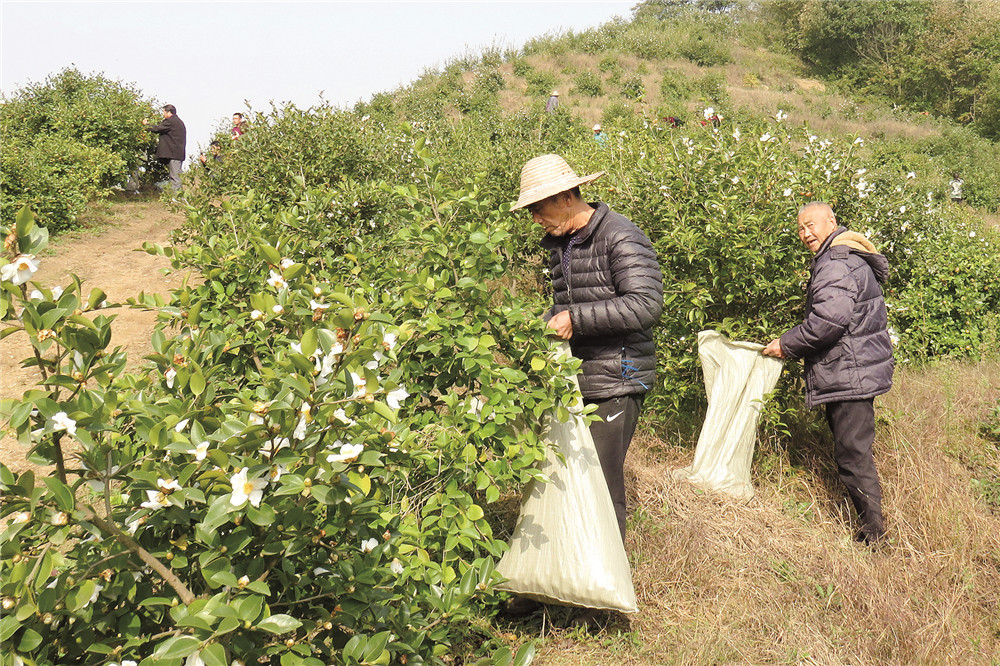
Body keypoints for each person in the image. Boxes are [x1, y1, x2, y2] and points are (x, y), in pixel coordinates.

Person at [505, 154, 663, 625]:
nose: (534, 217)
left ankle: (600, 596)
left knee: (601, 485)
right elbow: (565, 305)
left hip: (618, 375)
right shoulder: (560, 243)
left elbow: (645, 305)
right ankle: (544, 580)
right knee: (556, 475)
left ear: (565, 196)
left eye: (538, 207)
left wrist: (575, 320)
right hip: (576, 379)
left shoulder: (620, 235)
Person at [762, 202, 894, 547]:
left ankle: (874, 536)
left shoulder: (835, 263)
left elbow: (828, 323)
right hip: (851, 370)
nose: (806, 234)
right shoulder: (841, 257)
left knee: (852, 454)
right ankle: (870, 528)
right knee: (852, 452)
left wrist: (786, 344)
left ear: (831, 222)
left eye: (811, 225)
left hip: (849, 372)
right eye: (801, 229)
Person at [143, 104, 187, 193]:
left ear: (169, 112)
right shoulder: (177, 122)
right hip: (177, 153)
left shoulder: (171, 121)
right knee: (176, 175)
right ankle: (179, 196)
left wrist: (146, 125)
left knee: (175, 176)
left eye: (164, 112)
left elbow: (157, 128)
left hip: (174, 154)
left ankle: (176, 197)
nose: (163, 115)